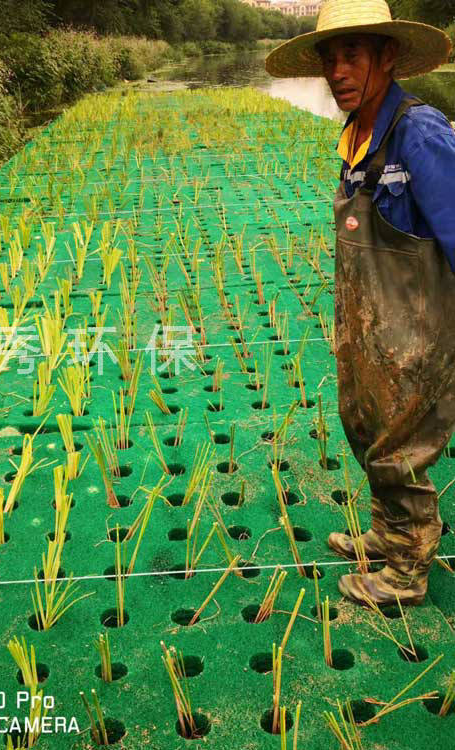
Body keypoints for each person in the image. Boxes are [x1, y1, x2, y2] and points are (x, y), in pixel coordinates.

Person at [265, 0, 455, 606]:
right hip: (371, 324)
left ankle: (406, 569)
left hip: (418, 327)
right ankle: (387, 531)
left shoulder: (419, 132)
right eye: (329, 58)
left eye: (352, 55)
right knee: (367, 425)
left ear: (388, 56)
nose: (337, 71)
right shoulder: (358, 135)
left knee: (401, 446)